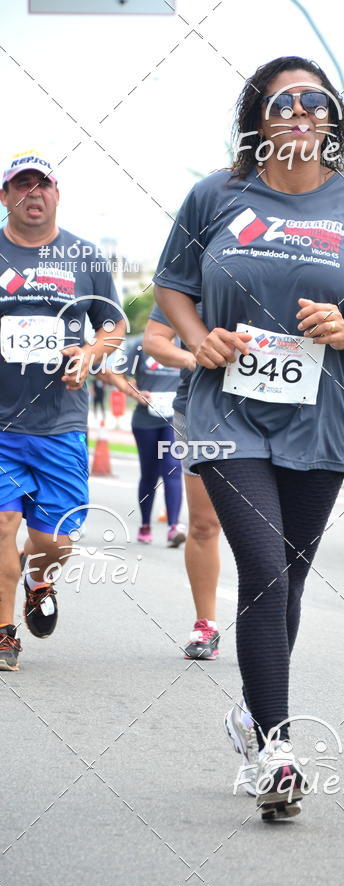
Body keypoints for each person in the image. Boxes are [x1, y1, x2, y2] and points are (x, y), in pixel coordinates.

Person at [154, 56, 344, 817]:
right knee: (265, 571)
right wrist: (198, 336)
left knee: (289, 581)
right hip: (225, 414)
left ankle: (251, 712)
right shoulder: (216, 195)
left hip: (318, 419)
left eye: (317, 101)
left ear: (332, 120)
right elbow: (171, 283)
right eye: (283, 102)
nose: (301, 111)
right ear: (259, 119)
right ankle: (276, 749)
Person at [0, 151, 125, 671]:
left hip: (61, 422)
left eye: (43, 184)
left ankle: (38, 574)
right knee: (3, 524)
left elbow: (113, 325)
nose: (34, 193)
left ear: (57, 193)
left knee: (55, 540)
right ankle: (5, 634)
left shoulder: (86, 258)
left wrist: (91, 354)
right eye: (21, 185)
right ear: (5, 196)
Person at [142, 306, 222, 660]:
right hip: (199, 407)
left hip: (279, 408)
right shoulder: (188, 272)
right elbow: (154, 341)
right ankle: (206, 624)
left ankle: (272, 622)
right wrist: (193, 358)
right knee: (204, 524)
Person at [99, 337, 187, 548]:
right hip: (145, 420)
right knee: (149, 473)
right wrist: (134, 393)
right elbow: (115, 373)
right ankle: (145, 524)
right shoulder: (142, 344)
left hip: (175, 419)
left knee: (172, 468)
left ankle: (173, 527)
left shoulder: (187, 342)